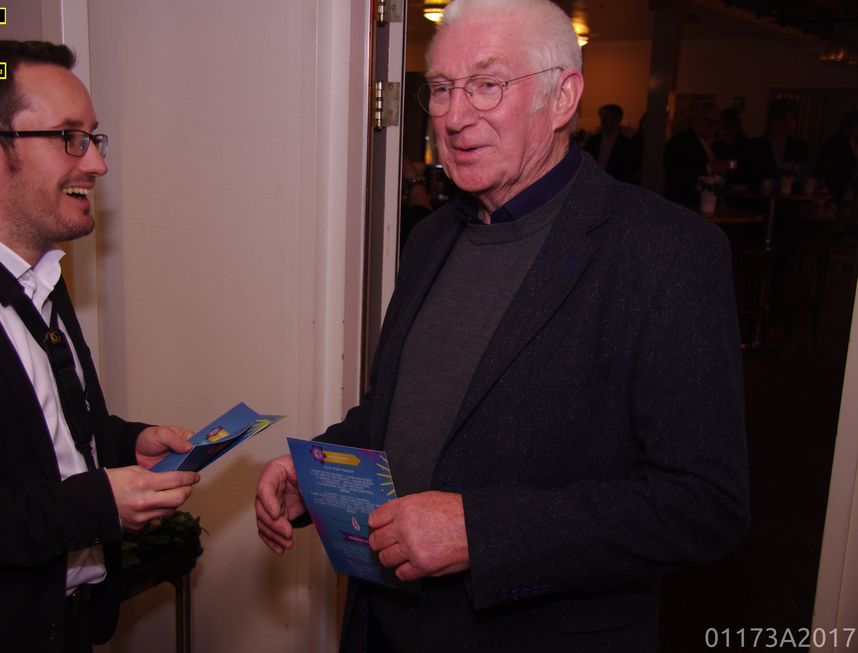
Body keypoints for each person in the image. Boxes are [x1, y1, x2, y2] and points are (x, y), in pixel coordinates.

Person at [255, 1, 749, 651]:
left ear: (562, 96)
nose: (454, 117)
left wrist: (479, 532)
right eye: (441, 88)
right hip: (386, 624)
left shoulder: (665, 252)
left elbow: (703, 502)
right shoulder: (431, 238)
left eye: (487, 85)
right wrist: (320, 471)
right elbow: (398, 416)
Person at [0, 41, 201, 653]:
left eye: (93, 138)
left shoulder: (40, 273)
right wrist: (91, 506)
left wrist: (123, 443)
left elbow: (28, 434)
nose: (96, 164)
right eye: (69, 137)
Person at [663, 101, 731, 208]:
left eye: (715, 122)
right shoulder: (680, 142)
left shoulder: (716, 145)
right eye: (707, 120)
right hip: (686, 205)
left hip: (709, 206)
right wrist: (709, 168)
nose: (711, 125)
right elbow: (678, 174)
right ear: (696, 119)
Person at [738, 98, 809, 191]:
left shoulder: (799, 146)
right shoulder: (754, 146)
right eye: (783, 119)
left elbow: (803, 177)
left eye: (791, 120)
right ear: (772, 120)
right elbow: (747, 177)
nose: (788, 124)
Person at [584, 103, 640, 183]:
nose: (603, 121)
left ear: (617, 119)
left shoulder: (626, 144)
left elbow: (629, 167)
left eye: (606, 118)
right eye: (602, 118)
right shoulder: (594, 140)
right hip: (594, 181)